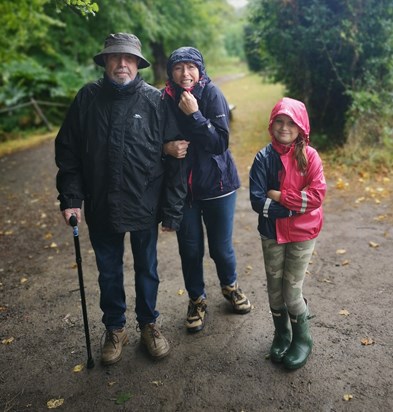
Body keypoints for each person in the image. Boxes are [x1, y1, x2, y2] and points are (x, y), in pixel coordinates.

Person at [55, 33, 187, 365]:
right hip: (101, 204)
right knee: (109, 272)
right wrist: (71, 198)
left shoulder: (156, 101)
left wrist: (171, 210)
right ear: (105, 62)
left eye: (129, 58)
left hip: (145, 202)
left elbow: (176, 157)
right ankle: (115, 328)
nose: (122, 64)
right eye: (115, 57)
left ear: (138, 64)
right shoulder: (87, 99)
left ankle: (149, 324)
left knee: (147, 269)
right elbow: (68, 153)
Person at [162, 47, 251, 333]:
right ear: (170, 72)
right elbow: (153, 138)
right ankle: (197, 300)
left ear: (200, 69)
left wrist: (196, 115)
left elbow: (219, 143)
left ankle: (230, 287)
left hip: (218, 186)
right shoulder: (164, 99)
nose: (185, 74)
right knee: (189, 250)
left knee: (220, 248)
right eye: (178, 68)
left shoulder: (212, 94)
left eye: (190, 67)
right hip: (184, 191)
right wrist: (166, 148)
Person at [249, 97, 326, 369]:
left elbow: (317, 196)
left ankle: (303, 339)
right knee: (274, 292)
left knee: (292, 293)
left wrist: (281, 197)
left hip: (303, 234)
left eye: (291, 122)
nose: (284, 127)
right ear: (272, 124)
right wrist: (294, 208)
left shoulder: (310, 157)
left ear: (301, 126)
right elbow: (258, 201)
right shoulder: (263, 158)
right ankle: (282, 334)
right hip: (271, 232)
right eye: (279, 121)